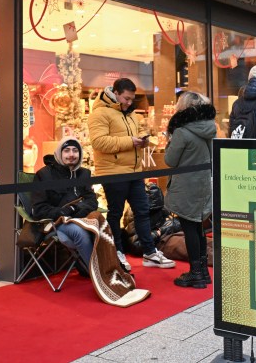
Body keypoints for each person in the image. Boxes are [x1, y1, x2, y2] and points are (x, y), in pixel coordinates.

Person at [89, 78, 175, 270]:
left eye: (131, 99)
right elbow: (99, 142)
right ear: (116, 93)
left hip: (134, 171)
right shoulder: (99, 114)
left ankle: (149, 252)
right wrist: (130, 141)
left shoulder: (131, 114)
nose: (129, 102)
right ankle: (117, 251)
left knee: (143, 211)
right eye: (126, 98)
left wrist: (143, 140)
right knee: (116, 213)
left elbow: (137, 133)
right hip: (113, 172)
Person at [163, 91, 216, 289]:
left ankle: (195, 273)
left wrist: (169, 141)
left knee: (189, 227)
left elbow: (170, 160)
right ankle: (202, 271)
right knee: (198, 226)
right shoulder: (210, 128)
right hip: (203, 183)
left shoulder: (182, 132)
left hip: (185, 185)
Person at [31, 138, 100, 272]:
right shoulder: (44, 175)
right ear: (59, 153)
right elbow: (39, 209)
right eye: (66, 150)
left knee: (103, 227)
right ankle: (97, 274)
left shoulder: (84, 173)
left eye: (75, 150)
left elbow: (92, 201)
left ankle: (111, 269)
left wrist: (75, 209)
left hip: (81, 217)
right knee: (79, 233)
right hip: (56, 222)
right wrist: (64, 212)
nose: (71, 155)